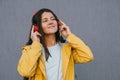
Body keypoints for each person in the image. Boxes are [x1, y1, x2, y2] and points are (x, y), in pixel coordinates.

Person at [17, 8, 94, 80]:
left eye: (53, 19)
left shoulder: (67, 49)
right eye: (45, 20)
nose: (50, 22)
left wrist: (69, 35)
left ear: (58, 23)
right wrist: (36, 44)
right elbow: (26, 72)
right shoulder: (30, 50)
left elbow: (88, 56)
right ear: (36, 28)